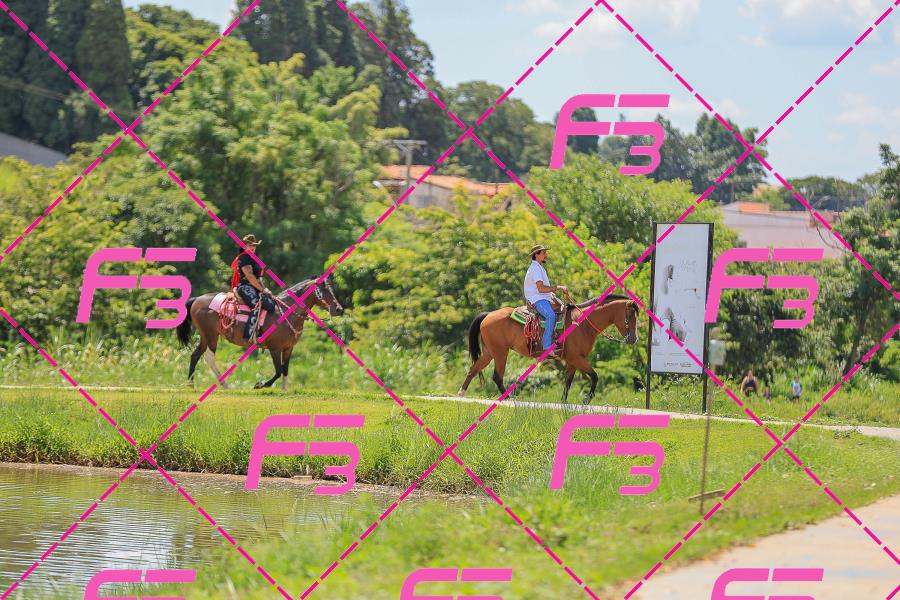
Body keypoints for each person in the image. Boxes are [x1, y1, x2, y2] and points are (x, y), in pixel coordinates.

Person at [523, 245, 568, 359]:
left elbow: (543, 289)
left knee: (564, 309)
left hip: (543, 297)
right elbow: (541, 288)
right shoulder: (535, 269)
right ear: (536, 255)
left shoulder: (540, 268)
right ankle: (547, 347)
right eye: (543, 253)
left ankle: (556, 336)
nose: (545, 255)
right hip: (536, 298)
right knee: (550, 315)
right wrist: (558, 287)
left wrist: (552, 294)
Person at [231, 234, 276, 341]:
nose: (253, 247)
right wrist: (262, 290)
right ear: (244, 246)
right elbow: (250, 276)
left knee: (271, 304)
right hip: (245, 286)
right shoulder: (243, 258)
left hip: (255, 286)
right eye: (250, 245)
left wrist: (265, 289)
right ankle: (249, 335)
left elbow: (258, 278)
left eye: (254, 245)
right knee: (257, 304)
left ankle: (265, 329)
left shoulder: (253, 258)